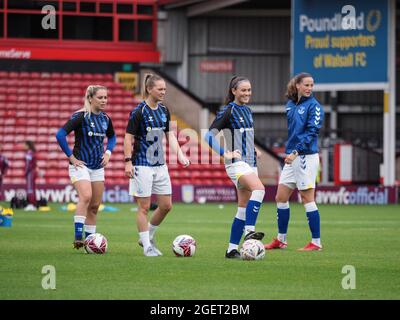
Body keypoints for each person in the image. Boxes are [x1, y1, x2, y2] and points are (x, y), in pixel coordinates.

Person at [124, 74, 190, 257]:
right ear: (149, 89)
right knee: (144, 207)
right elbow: (128, 138)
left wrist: (180, 154)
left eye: (165, 89)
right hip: (142, 164)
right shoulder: (138, 111)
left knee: (166, 205)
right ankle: (147, 247)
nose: (163, 92)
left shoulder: (164, 110)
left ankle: (148, 236)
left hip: (160, 165)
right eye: (160, 89)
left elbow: (169, 135)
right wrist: (127, 161)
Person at [204, 76, 266, 259]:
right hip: (236, 164)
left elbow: (245, 135)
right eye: (243, 90)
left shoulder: (247, 110)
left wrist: (255, 148)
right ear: (234, 91)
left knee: (242, 208)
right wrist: (225, 153)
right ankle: (250, 231)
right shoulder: (228, 110)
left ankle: (231, 249)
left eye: (249, 90)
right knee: (260, 189)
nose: (247, 93)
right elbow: (209, 136)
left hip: (251, 163)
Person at [264, 72, 324, 251]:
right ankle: (281, 240)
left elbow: (312, 132)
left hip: (305, 156)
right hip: (292, 157)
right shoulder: (290, 105)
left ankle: (316, 242)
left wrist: (296, 152)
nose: (309, 88)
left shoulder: (315, 106)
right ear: (297, 85)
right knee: (280, 197)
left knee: (307, 198)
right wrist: (291, 152)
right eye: (306, 85)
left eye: (312, 85)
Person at [56, 85, 116, 249]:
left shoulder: (106, 119)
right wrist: (71, 157)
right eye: (100, 97)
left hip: (97, 167)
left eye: (106, 97)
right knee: (86, 197)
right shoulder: (80, 117)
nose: (104, 100)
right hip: (80, 165)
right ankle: (77, 236)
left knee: (95, 206)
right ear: (90, 98)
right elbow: (60, 134)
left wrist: (108, 152)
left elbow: (112, 137)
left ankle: (90, 243)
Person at [24, 140, 37, 211]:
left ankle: (31, 204)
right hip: (33, 172)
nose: (23, 146)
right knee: (33, 188)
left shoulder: (29, 153)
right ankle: (34, 204)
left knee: (30, 189)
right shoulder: (33, 153)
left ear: (28, 145)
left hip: (30, 173)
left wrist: (25, 172)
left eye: (24, 145)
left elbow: (28, 164)